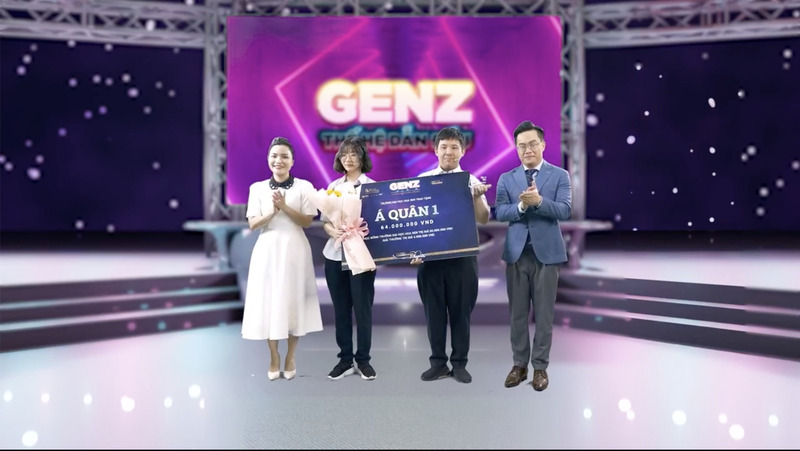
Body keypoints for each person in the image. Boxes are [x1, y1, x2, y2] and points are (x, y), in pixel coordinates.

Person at [494, 121, 572, 391]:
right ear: (516, 149)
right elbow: (499, 212)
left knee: (544, 314)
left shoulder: (559, 175)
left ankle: (540, 368)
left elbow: (565, 210)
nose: (527, 149)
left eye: (532, 144)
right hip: (517, 255)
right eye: (521, 146)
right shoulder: (506, 178)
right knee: (517, 315)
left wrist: (538, 202)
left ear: (543, 145)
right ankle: (519, 365)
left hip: (547, 255)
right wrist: (520, 206)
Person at [411, 126, 491, 384]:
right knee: (433, 314)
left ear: (463, 151)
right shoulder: (422, 180)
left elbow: (484, 218)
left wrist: (477, 197)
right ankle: (437, 363)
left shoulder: (472, 181)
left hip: (462, 258)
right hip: (430, 259)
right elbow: (414, 220)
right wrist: (414, 250)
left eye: (454, 147)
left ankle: (459, 364)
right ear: (435, 150)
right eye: (444, 147)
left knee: (461, 314)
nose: (449, 151)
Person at [241, 136, 323, 381]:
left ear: (292, 161)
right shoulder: (257, 188)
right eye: (274, 156)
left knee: (292, 300)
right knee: (270, 301)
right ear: (268, 159)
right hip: (267, 249)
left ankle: (291, 357)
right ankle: (274, 357)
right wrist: (272, 212)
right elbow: (253, 224)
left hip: (295, 248)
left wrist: (285, 207)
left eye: (284, 156)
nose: (279, 160)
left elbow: (307, 221)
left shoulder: (304, 187)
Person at [322, 136, 379, 381]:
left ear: (362, 157)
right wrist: (331, 230)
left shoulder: (373, 187)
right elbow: (325, 221)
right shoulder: (333, 186)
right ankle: (345, 360)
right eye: (344, 154)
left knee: (363, 309)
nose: (348, 158)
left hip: (361, 255)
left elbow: (379, 222)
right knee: (341, 310)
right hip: (335, 255)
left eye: (354, 154)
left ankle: (363, 361)